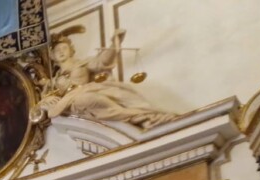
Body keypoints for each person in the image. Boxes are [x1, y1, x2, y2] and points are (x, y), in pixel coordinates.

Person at [36, 29, 176, 129]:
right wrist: (46, 100)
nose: (60, 52)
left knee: (112, 98)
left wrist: (114, 45)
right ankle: (141, 116)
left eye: (63, 48)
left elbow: (101, 62)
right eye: (56, 51)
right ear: (52, 56)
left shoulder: (83, 64)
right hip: (74, 102)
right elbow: (43, 100)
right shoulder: (54, 81)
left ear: (70, 50)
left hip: (88, 91)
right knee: (86, 100)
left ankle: (145, 116)